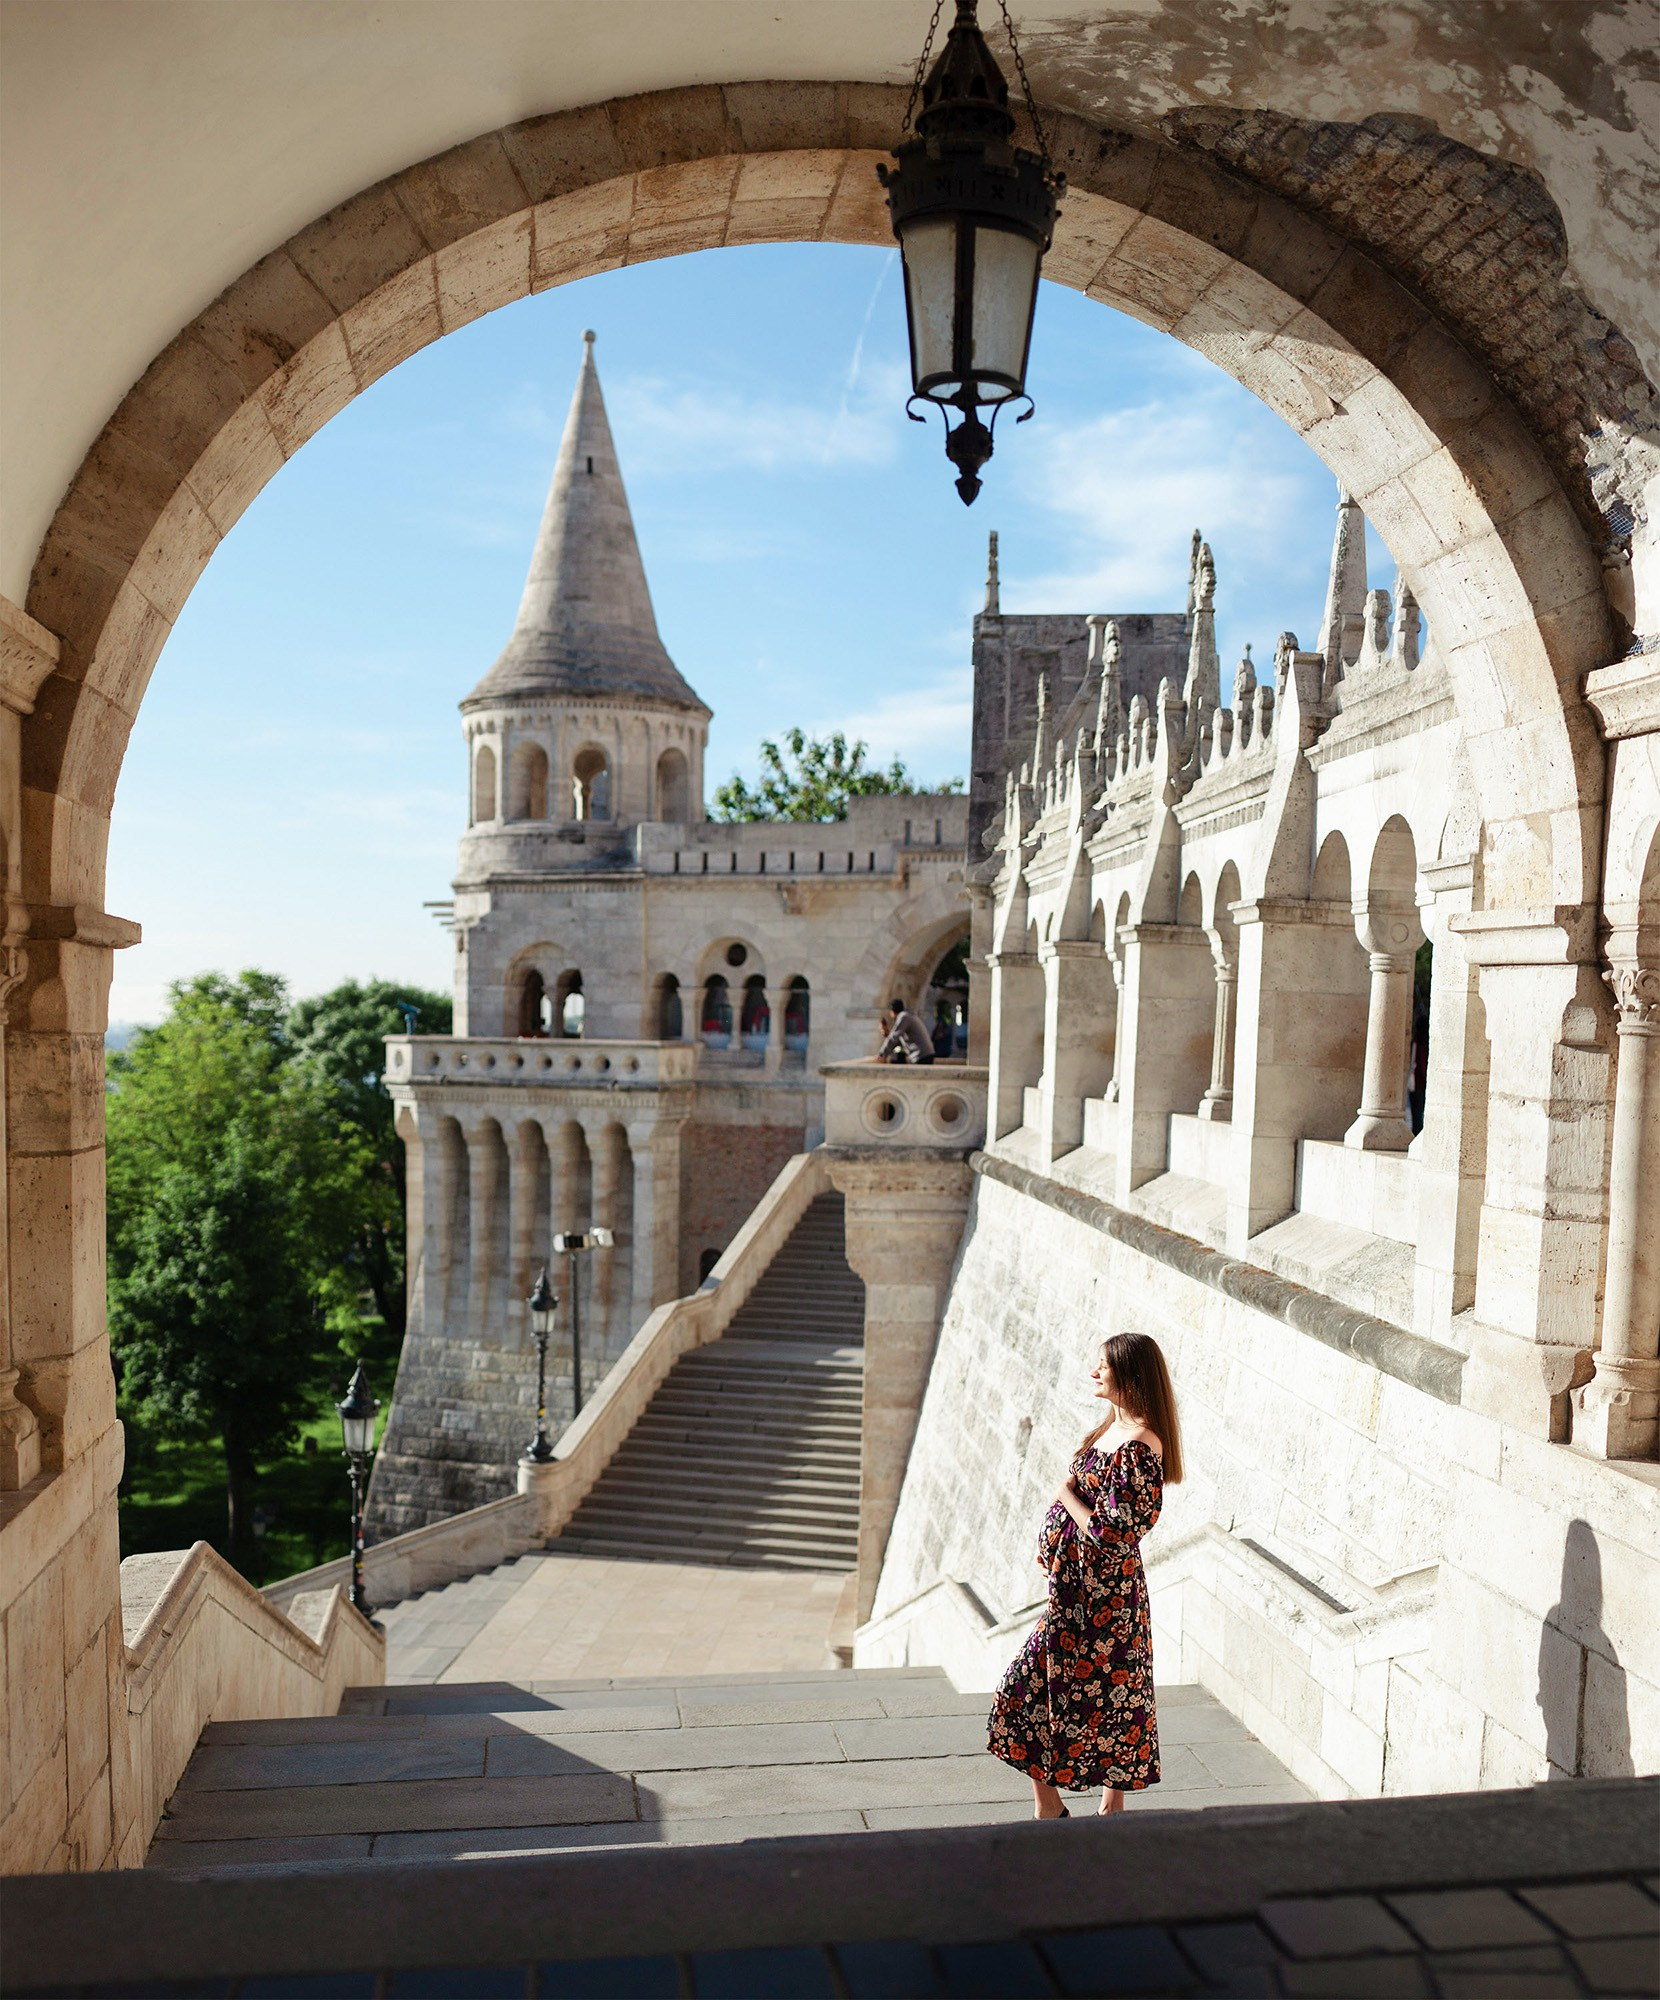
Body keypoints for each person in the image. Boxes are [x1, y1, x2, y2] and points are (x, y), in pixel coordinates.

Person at [987, 1330, 1182, 1818]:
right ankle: (1057, 1806)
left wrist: (1064, 1494)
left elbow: (1112, 1531)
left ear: (1129, 1374)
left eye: (1104, 1365)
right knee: (1047, 1692)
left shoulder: (1141, 1445)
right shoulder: (1109, 1430)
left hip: (1104, 1601)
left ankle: (1090, 1808)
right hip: (1074, 1591)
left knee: (1082, 1692)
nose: (1095, 1372)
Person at [877, 995, 934, 1065]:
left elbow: (894, 1036)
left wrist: (881, 1054)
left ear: (892, 1011)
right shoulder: (909, 1016)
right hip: (925, 1054)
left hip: (921, 1055)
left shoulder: (904, 1017)